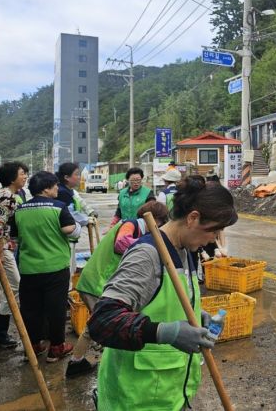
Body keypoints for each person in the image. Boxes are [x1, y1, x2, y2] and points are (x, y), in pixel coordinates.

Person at [88, 178, 239, 411]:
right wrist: (166, 332)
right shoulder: (147, 256)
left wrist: (198, 315)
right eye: (215, 230)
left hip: (168, 396)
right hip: (135, 399)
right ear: (193, 218)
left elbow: (166, 301)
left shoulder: (185, 250)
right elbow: (102, 321)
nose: (215, 238)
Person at [67, 201, 169, 377]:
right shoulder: (132, 224)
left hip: (98, 282)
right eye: (161, 224)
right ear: (155, 219)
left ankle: (78, 362)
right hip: (97, 283)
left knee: (97, 324)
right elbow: (121, 243)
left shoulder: (137, 227)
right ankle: (81, 363)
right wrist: (152, 245)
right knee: (102, 325)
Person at [14, 171, 80, 361]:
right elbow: (71, 231)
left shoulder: (21, 209)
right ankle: (57, 347)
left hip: (28, 268)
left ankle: (34, 346)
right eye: (54, 186)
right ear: (46, 189)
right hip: (55, 268)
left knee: (31, 308)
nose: (57, 189)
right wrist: (78, 228)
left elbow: (15, 236)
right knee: (56, 308)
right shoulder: (58, 207)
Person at [0, 161, 28, 349]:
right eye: (21, 173)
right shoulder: (7, 196)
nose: (25, 176)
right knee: (15, 287)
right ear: (12, 177)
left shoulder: (7, 195)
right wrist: (0, 253)